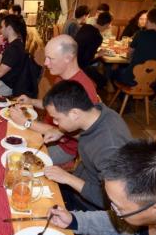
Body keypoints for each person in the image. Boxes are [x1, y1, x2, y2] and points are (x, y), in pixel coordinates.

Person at [39, 80, 132, 210]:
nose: (54, 123)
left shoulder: (110, 148)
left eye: (57, 119)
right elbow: (91, 138)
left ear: (74, 114)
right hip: (80, 182)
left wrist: (68, 178)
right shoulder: (98, 112)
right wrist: (63, 132)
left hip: (89, 206)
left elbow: (111, 201)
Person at [12, 35, 101, 166]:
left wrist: (26, 123)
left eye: (50, 59)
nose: (45, 63)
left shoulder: (82, 89)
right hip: (47, 133)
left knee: (19, 163)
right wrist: (31, 101)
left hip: (65, 148)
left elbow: (81, 135)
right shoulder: (61, 76)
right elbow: (55, 106)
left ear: (68, 58)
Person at [113, 8, 156, 87]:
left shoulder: (140, 34)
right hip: (152, 80)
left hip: (132, 78)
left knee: (113, 71)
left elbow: (129, 54)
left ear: (147, 19)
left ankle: (120, 95)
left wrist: (132, 61)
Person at [75, 11, 112, 89]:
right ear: (106, 24)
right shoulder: (98, 37)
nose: (109, 26)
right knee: (103, 80)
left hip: (72, 59)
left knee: (97, 70)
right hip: (80, 66)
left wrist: (97, 53)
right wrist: (99, 54)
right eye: (109, 24)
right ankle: (90, 94)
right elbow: (87, 60)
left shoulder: (85, 27)